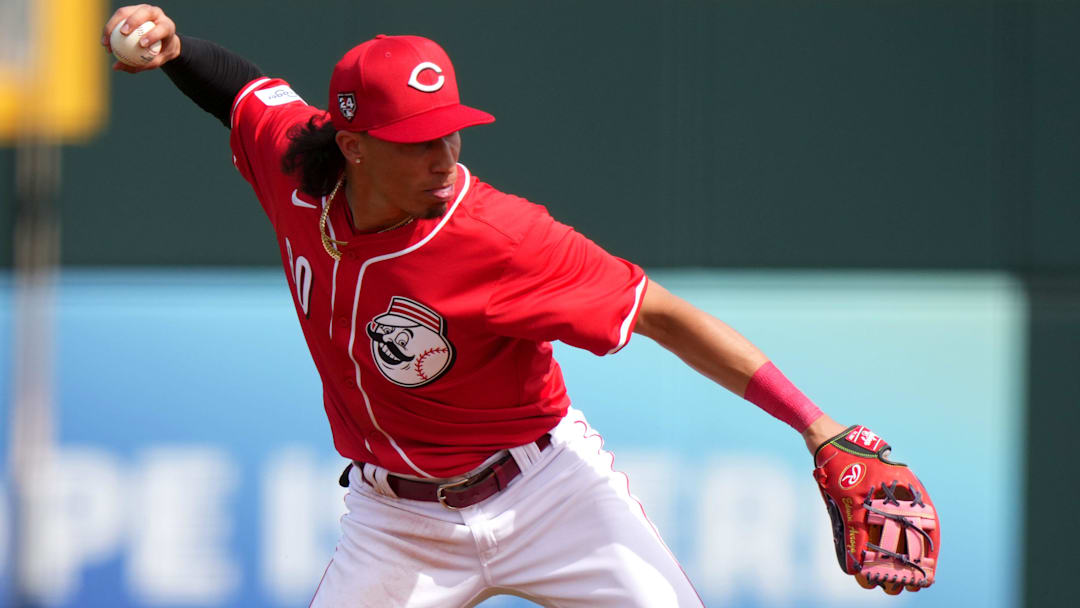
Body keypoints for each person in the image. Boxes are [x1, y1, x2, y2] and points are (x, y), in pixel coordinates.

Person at [102, 5, 852, 607]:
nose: (444, 156)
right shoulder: (297, 165)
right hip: (396, 524)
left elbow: (662, 314)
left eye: (449, 133)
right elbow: (238, 91)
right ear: (354, 144)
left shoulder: (502, 238)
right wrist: (174, 46)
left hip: (549, 495)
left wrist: (817, 428)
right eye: (417, 140)